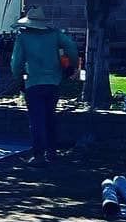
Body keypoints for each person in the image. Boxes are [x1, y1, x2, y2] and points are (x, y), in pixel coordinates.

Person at [8, 10, 79, 162]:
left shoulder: (23, 37)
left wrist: (18, 79)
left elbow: (16, 63)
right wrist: (72, 66)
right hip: (54, 82)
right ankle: (52, 152)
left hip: (33, 82)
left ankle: (38, 155)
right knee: (50, 116)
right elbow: (72, 46)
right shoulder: (55, 34)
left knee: (36, 120)